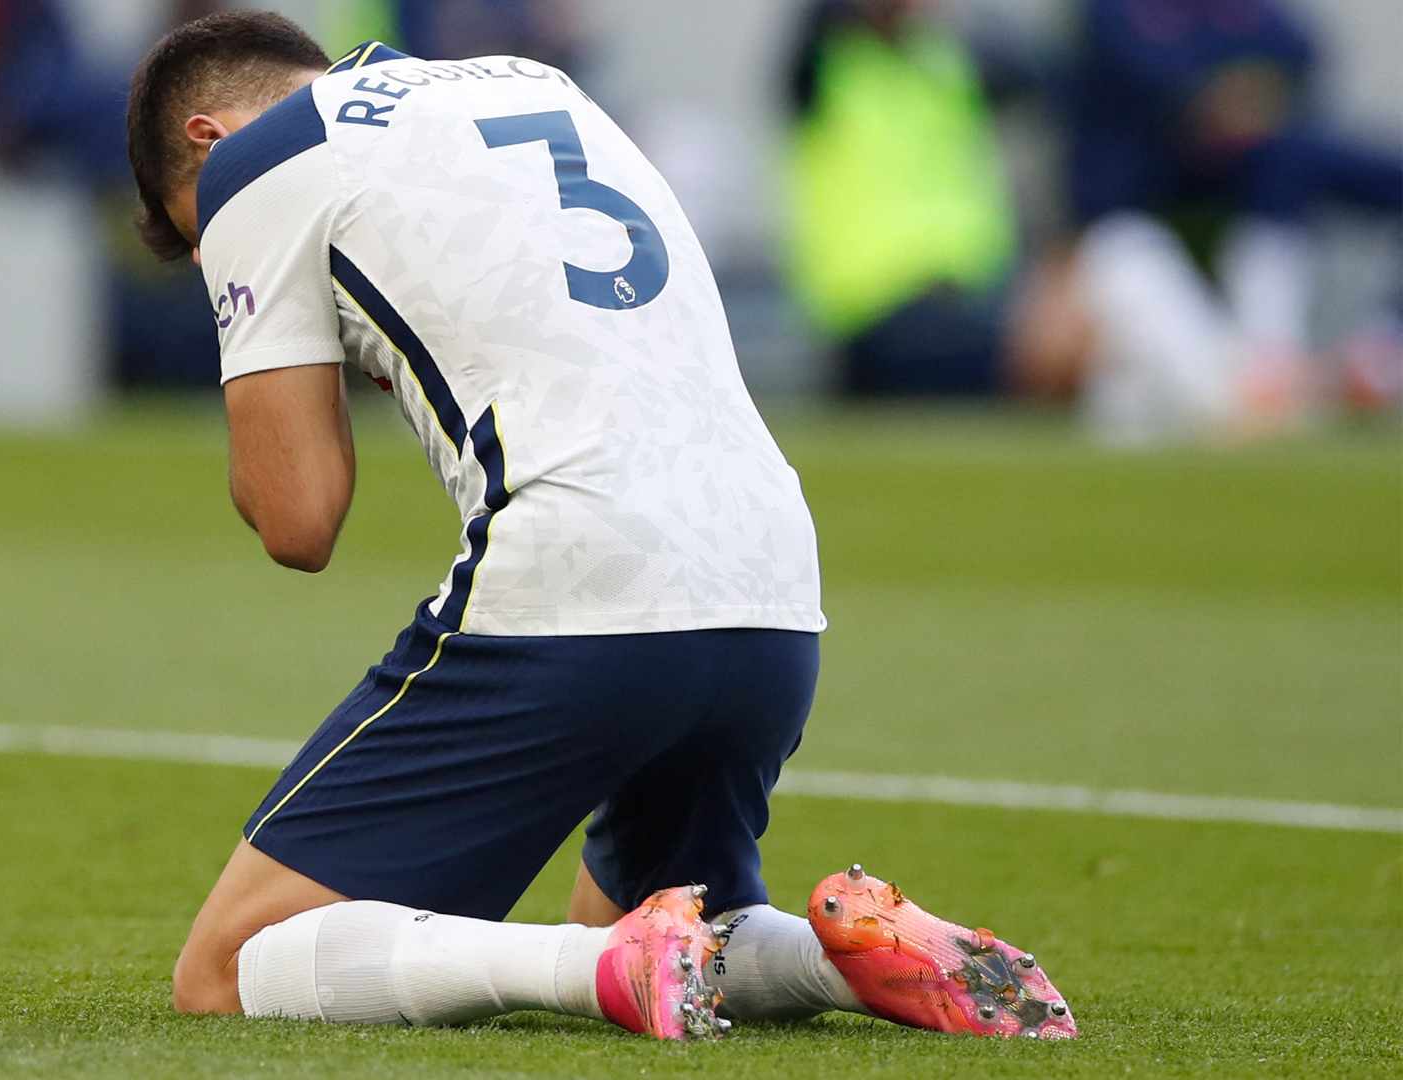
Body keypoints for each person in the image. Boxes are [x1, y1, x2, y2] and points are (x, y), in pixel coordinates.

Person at [125, 12, 1077, 1041]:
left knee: (224, 969)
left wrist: (272, 344)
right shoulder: (533, 85)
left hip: (584, 573)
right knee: (649, 917)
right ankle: (841, 958)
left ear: (207, 144)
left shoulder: (258, 162)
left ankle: (602, 968)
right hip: (772, 580)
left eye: (198, 242)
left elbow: (296, 517)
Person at [1062, 0, 1403, 442]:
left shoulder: (1243, 9)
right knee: (1129, 259)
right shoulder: (1115, 12)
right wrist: (1213, 91)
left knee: (1294, 162)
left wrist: (1246, 89)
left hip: (1248, 173)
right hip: (1142, 201)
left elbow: (1298, 51)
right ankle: (1260, 373)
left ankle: (1369, 350)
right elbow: (1149, 72)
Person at [779, 0, 1026, 397]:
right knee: (1030, 356)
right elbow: (813, 26)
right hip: (874, 307)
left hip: (970, 292)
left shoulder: (947, 61)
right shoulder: (827, 66)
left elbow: (1035, 73)